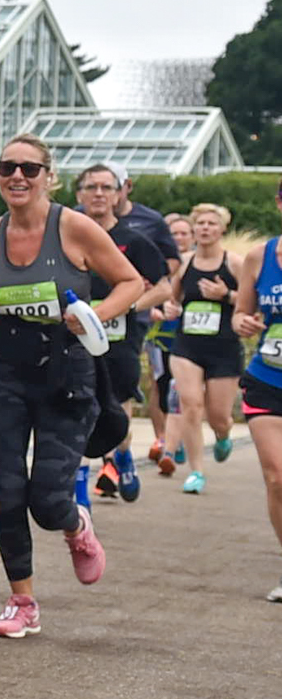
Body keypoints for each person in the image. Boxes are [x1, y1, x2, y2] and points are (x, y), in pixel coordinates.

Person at [0, 134, 145, 638]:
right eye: (7, 167)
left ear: (48, 177)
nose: (17, 176)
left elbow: (132, 283)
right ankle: (23, 601)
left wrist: (93, 316)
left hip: (66, 373)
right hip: (2, 373)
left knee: (47, 500)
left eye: (29, 169)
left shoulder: (75, 228)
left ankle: (76, 525)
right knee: (6, 491)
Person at [74, 165, 172, 502]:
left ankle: (122, 454)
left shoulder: (135, 241)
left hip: (121, 339)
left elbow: (164, 288)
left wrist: (128, 304)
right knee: (75, 406)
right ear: (79, 195)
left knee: (117, 405)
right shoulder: (66, 236)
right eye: (91, 187)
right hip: (74, 337)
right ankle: (79, 485)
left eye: (106, 187)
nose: (98, 193)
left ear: (119, 195)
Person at [224, 179, 282, 604]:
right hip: (268, 377)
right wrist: (242, 323)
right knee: (277, 477)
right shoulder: (260, 257)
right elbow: (240, 314)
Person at [168, 202, 247, 495]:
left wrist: (226, 294)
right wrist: (169, 308)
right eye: (200, 223)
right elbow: (173, 297)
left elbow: (251, 302)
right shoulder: (186, 262)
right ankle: (196, 471)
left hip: (224, 348)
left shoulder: (235, 263)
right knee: (190, 404)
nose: (205, 228)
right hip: (187, 344)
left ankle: (223, 435)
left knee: (219, 416)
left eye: (211, 224)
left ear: (222, 228)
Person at [145, 212, 195, 474]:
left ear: (192, 236)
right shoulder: (158, 263)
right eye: (173, 234)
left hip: (189, 335)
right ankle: (162, 437)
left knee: (183, 388)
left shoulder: (199, 263)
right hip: (158, 334)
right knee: (159, 383)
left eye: (183, 233)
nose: (178, 238)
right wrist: (152, 309)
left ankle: (177, 438)